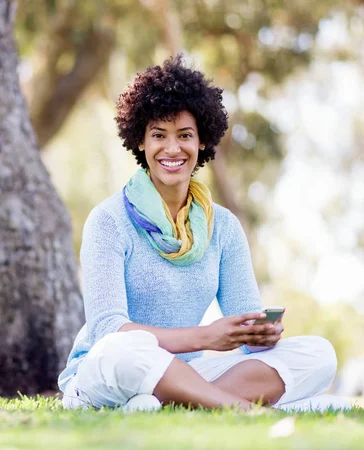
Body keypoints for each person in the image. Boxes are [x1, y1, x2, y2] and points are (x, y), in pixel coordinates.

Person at [58, 55, 353, 412]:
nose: (172, 148)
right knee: (125, 349)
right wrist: (206, 337)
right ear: (140, 141)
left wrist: (259, 335)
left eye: (185, 135)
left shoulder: (224, 226)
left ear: (201, 142)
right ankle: (239, 408)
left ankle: (176, 403)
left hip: (190, 369)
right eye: (158, 136)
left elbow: (244, 324)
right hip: (109, 370)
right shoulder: (108, 220)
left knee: (318, 354)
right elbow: (108, 331)